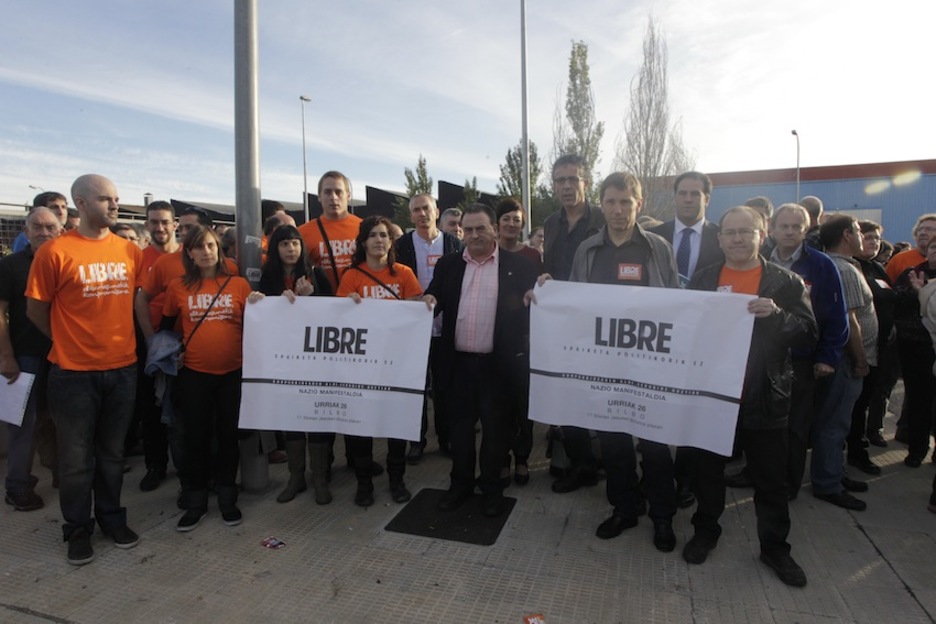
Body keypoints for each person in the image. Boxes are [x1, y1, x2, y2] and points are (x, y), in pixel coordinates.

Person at [685, 205, 817, 588]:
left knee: (771, 481)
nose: (738, 239)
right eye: (730, 232)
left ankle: (775, 548)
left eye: (747, 231)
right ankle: (705, 531)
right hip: (712, 395)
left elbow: (809, 334)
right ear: (720, 237)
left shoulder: (785, 283)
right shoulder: (705, 278)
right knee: (707, 472)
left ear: (763, 235)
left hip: (765, 396)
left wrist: (776, 315)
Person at [26, 174, 144, 565]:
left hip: (122, 370)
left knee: (112, 455)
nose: (114, 205)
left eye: (116, 199)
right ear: (81, 202)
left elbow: (137, 303)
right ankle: (78, 529)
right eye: (105, 199)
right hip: (72, 374)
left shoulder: (130, 251)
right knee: (76, 461)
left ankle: (112, 519)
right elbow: (35, 310)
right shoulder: (55, 252)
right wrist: (66, 340)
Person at [568, 172, 680, 552]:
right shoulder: (588, 250)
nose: (618, 210)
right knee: (613, 442)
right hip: (605, 365)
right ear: (601, 204)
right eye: (611, 202)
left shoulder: (657, 248)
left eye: (625, 202)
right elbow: (574, 302)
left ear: (639, 203)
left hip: (648, 365)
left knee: (654, 444)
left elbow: (676, 303)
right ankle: (625, 508)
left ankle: (662, 516)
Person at [423, 204, 537, 517]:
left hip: (497, 367)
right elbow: (435, 296)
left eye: (480, 229)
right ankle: (459, 485)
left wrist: (539, 295)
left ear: (494, 230)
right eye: (467, 229)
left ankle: (491, 489)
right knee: (459, 433)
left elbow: (537, 300)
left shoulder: (519, 267)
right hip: (458, 366)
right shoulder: (448, 265)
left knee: (495, 433)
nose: (473, 235)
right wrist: (429, 300)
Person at [161, 226, 254, 531]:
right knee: (196, 439)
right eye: (199, 247)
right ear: (189, 253)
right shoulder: (178, 287)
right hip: (194, 375)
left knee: (228, 437)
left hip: (233, 374)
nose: (206, 252)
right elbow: (166, 328)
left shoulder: (239, 285)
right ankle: (195, 501)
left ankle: (228, 498)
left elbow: (259, 324)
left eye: (211, 246)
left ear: (219, 249)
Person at [761, 203, 847, 500]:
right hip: (763, 359)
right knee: (762, 422)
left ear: (807, 229)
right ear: (771, 229)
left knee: (795, 427)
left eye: (796, 227)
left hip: (800, 360)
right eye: (783, 226)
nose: (789, 232)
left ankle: (787, 485)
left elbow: (836, 316)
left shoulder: (821, 265)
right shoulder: (758, 260)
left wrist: (827, 357)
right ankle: (757, 473)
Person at [651, 171, 724, 508]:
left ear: (707, 198)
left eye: (696, 193)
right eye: (683, 192)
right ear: (675, 196)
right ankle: (656, 478)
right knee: (658, 408)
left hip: (705, 339)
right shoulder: (654, 235)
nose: (688, 199)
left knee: (693, 411)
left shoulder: (723, 238)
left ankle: (685, 480)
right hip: (660, 338)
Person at [338, 216, 422, 506]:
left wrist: (424, 305)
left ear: (391, 241)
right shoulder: (351, 277)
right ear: (363, 242)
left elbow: (416, 315)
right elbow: (339, 320)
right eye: (372, 235)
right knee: (363, 425)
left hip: (397, 363)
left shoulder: (404, 275)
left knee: (395, 424)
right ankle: (364, 483)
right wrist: (344, 305)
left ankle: (396, 480)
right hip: (362, 365)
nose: (379, 240)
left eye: (384, 235)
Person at [257, 225, 334, 505]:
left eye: (295, 243)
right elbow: (262, 317)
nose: (291, 249)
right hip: (284, 362)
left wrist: (310, 299)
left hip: (315, 361)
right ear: (275, 248)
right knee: (291, 419)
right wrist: (260, 301)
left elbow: (334, 316)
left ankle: (320, 479)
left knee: (318, 419)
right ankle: (296, 477)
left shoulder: (317, 275)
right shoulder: (267, 280)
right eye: (284, 244)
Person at [542, 154, 605, 494]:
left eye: (572, 179)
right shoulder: (551, 223)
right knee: (566, 392)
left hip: (596, 321)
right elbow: (550, 265)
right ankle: (582, 463)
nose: (566, 186)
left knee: (597, 393)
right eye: (560, 180)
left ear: (586, 182)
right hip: (562, 322)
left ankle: (602, 459)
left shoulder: (602, 220)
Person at [811, 215, 877, 509]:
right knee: (834, 422)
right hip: (847, 362)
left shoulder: (844, 266)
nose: (863, 236)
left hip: (846, 361)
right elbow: (849, 320)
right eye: (860, 231)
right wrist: (861, 360)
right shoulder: (843, 270)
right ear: (847, 234)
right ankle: (827, 483)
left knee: (838, 420)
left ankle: (835, 473)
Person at [393, 194, 464, 463]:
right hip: (412, 330)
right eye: (416, 210)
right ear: (411, 216)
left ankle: (444, 438)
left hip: (446, 328)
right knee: (416, 387)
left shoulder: (454, 244)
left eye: (426, 208)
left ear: (437, 211)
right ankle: (416, 439)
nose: (422, 214)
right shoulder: (400, 246)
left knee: (445, 387)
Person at [0, 208, 61, 511]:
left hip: (62, 355)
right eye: (37, 226)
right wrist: (6, 356)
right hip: (26, 357)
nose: (44, 232)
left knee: (63, 420)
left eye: (51, 226)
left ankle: (64, 474)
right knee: (23, 424)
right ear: (25, 230)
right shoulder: (10, 266)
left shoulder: (64, 260)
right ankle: (18, 487)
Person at [135, 201, 182, 493]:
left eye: (165, 222)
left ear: (174, 224)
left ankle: (186, 465)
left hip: (186, 342)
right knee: (151, 406)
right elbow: (139, 299)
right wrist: (151, 338)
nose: (160, 228)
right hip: (153, 340)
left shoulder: (191, 254)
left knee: (180, 407)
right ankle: (156, 465)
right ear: (147, 225)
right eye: (154, 222)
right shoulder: (139, 258)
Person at [848, 221, 896, 461]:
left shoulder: (878, 268)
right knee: (855, 404)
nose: (874, 242)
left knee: (871, 396)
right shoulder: (852, 268)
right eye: (868, 237)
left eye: (877, 238)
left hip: (882, 346)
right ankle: (854, 449)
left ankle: (863, 438)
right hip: (859, 349)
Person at [893, 236, 936, 467]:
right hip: (914, 347)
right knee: (918, 400)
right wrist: (915, 292)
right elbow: (895, 300)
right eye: (933, 247)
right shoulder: (911, 274)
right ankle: (917, 449)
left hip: (933, 347)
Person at [298, 171, 363, 292]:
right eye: (327, 192)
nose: (333, 197)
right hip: (323, 303)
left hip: (361, 302)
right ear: (319, 196)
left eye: (338, 192)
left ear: (348, 195)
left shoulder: (364, 228)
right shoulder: (303, 233)